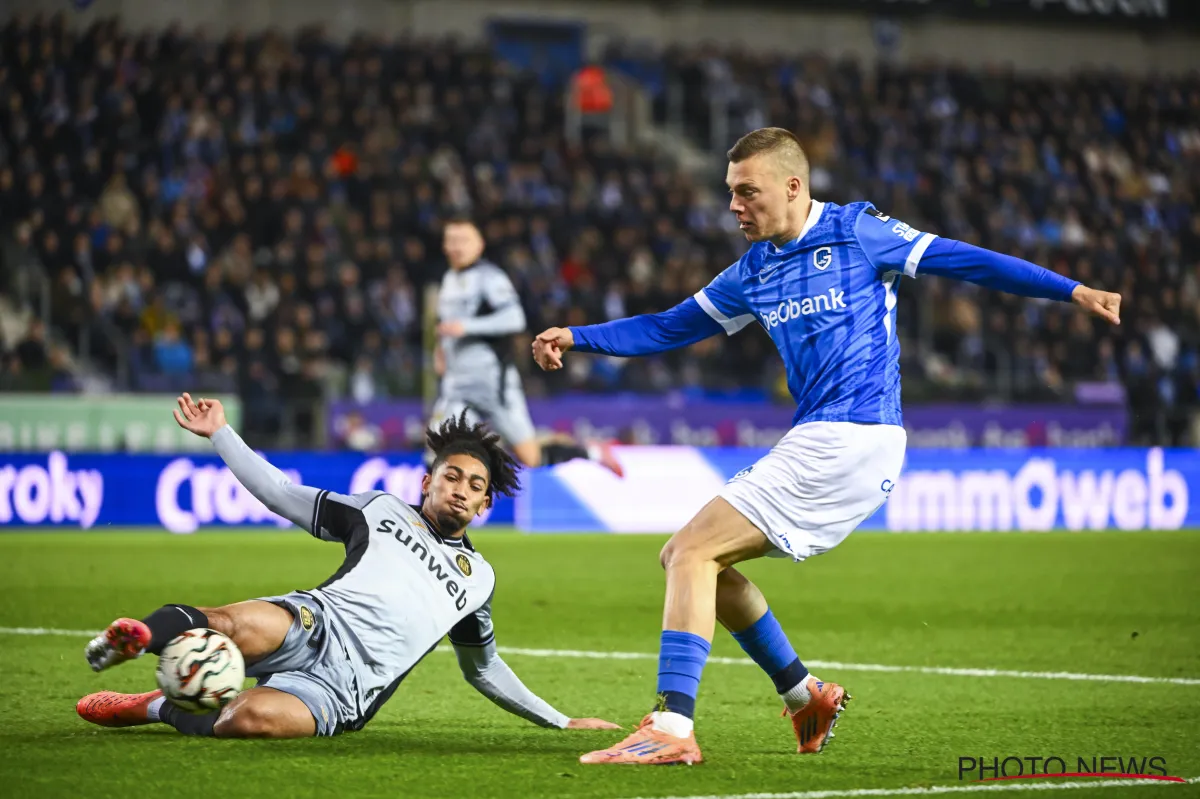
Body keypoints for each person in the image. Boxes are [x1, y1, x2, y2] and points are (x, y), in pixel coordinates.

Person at [532, 128, 1122, 765]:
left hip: (853, 433)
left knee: (690, 554)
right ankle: (803, 694)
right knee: (699, 562)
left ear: (792, 186)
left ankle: (672, 728)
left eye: (746, 192)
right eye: (730, 192)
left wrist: (1073, 290)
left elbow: (967, 259)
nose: (734, 206)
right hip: (827, 438)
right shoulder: (751, 272)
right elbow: (667, 326)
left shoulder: (859, 233)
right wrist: (579, 335)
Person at [76, 393, 619, 739]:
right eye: (452, 477)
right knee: (232, 624)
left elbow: (482, 668)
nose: (461, 490)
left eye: (475, 487)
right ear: (428, 482)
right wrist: (220, 432)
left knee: (250, 719)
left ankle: (156, 708)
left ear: (484, 507)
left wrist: (562, 720)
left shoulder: (479, 581)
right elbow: (282, 493)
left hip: (345, 690)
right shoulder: (378, 510)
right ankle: (141, 635)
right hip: (315, 623)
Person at [433, 217, 623, 476]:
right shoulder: (448, 281)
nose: (456, 247)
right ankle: (426, 516)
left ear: (479, 245)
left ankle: (593, 452)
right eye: (451, 240)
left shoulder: (491, 278)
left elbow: (515, 318)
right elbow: (446, 326)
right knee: (437, 449)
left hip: (492, 384)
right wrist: (441, 349)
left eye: (463, 240)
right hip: (457, 385)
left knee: (531, 456)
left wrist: (467, 327)